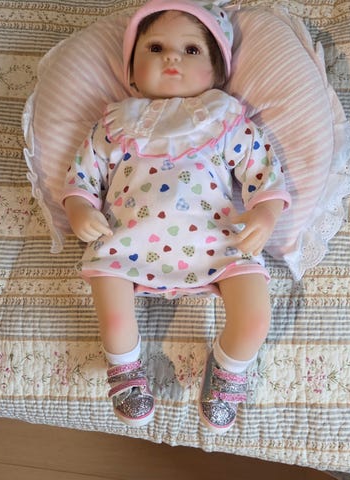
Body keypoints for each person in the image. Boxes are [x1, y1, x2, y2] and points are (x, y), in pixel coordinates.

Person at [62, 0, 291, 433]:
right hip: (127, 240)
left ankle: (228, 369)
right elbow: (82, 175)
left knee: (256, 317)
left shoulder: (223, 120)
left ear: (216, 71)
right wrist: (78, 207)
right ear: (131, 71)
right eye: (155, 48)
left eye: (191, 50)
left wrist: (265, 212)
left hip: (216, 238)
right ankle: (125, 368)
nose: (172, 58)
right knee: (113, 316)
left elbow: (263, 170)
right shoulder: (114, 124)